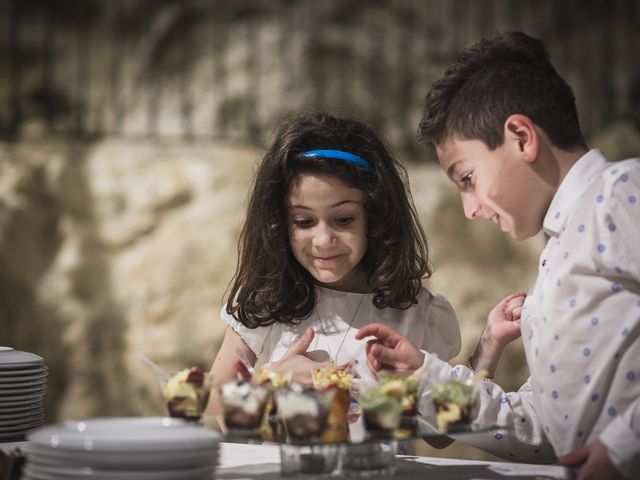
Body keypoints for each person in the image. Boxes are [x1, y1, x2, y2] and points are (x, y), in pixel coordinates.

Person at [356, 31, 639, 480]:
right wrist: (424, 381)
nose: (469, 209)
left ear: (522, 137)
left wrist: (624, 447)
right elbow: (537, 430)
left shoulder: (619, 194)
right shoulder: (557, 250)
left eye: (467, 178)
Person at [206, 112, 522, 426]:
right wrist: (270, 379)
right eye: (304, 221)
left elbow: (442, 433)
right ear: (280, 224)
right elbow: (212, 403)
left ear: (375, 216)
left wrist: (488, 347)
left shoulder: (414, 312)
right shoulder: (266, 300)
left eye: (343, 219)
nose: (323, 239)